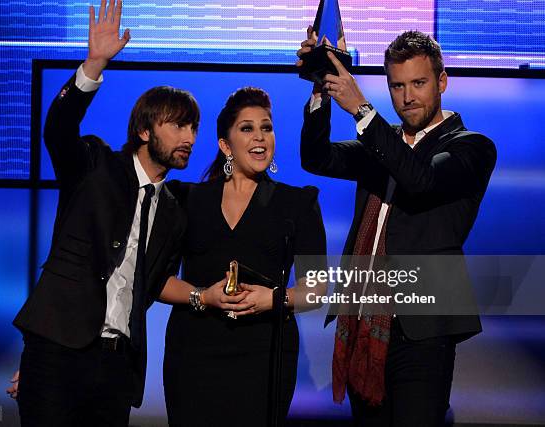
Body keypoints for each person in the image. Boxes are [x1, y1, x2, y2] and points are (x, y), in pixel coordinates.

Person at [11, 0, 200, 425]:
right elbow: (57, 130)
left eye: (193, 128)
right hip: (57, 350)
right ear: (145, 130)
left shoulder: (173, 209)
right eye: (177, 125)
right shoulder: (94, 164)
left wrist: (201, 297)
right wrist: (93, 64)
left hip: (117, 367)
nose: (188, 136)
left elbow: (152, 284)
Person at [297, 30, 496, 426]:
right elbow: (316, 158)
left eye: (419, 83)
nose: (407, 97)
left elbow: (420, 179)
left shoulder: (471, 146)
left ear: (442, 81)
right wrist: (321, 85)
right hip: (363, 322)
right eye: (397, 85)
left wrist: (361, 110)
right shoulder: (382, 147)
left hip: (422, 332)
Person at [157, 87, 327, 426]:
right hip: (193, 354)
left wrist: (274, 299)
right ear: (225, 145)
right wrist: (203, 296)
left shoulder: (298, 204)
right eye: (247, 128)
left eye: (267, 127)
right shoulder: (186, 199)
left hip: (264, 357)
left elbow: (317, 289)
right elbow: (156, 280)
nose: (260, 137)